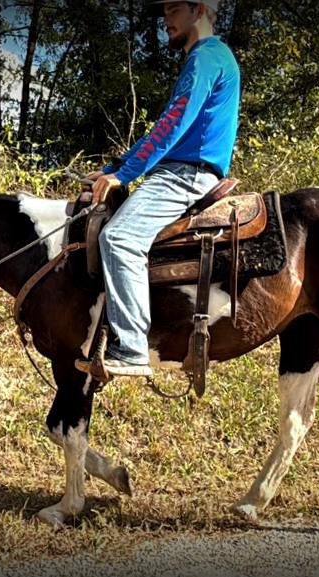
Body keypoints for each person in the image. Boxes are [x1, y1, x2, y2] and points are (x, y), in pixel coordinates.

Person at [76, 0, 241, 377]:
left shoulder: (206, 58)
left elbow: (172, 125)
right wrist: (115, 168)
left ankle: (131, 347)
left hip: (185, 175)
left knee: (119, 238)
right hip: (181, 168)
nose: (166, 20)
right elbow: (166, 130)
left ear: (198, 9)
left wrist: (126, 173)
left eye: (172, 10)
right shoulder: (211, 58)